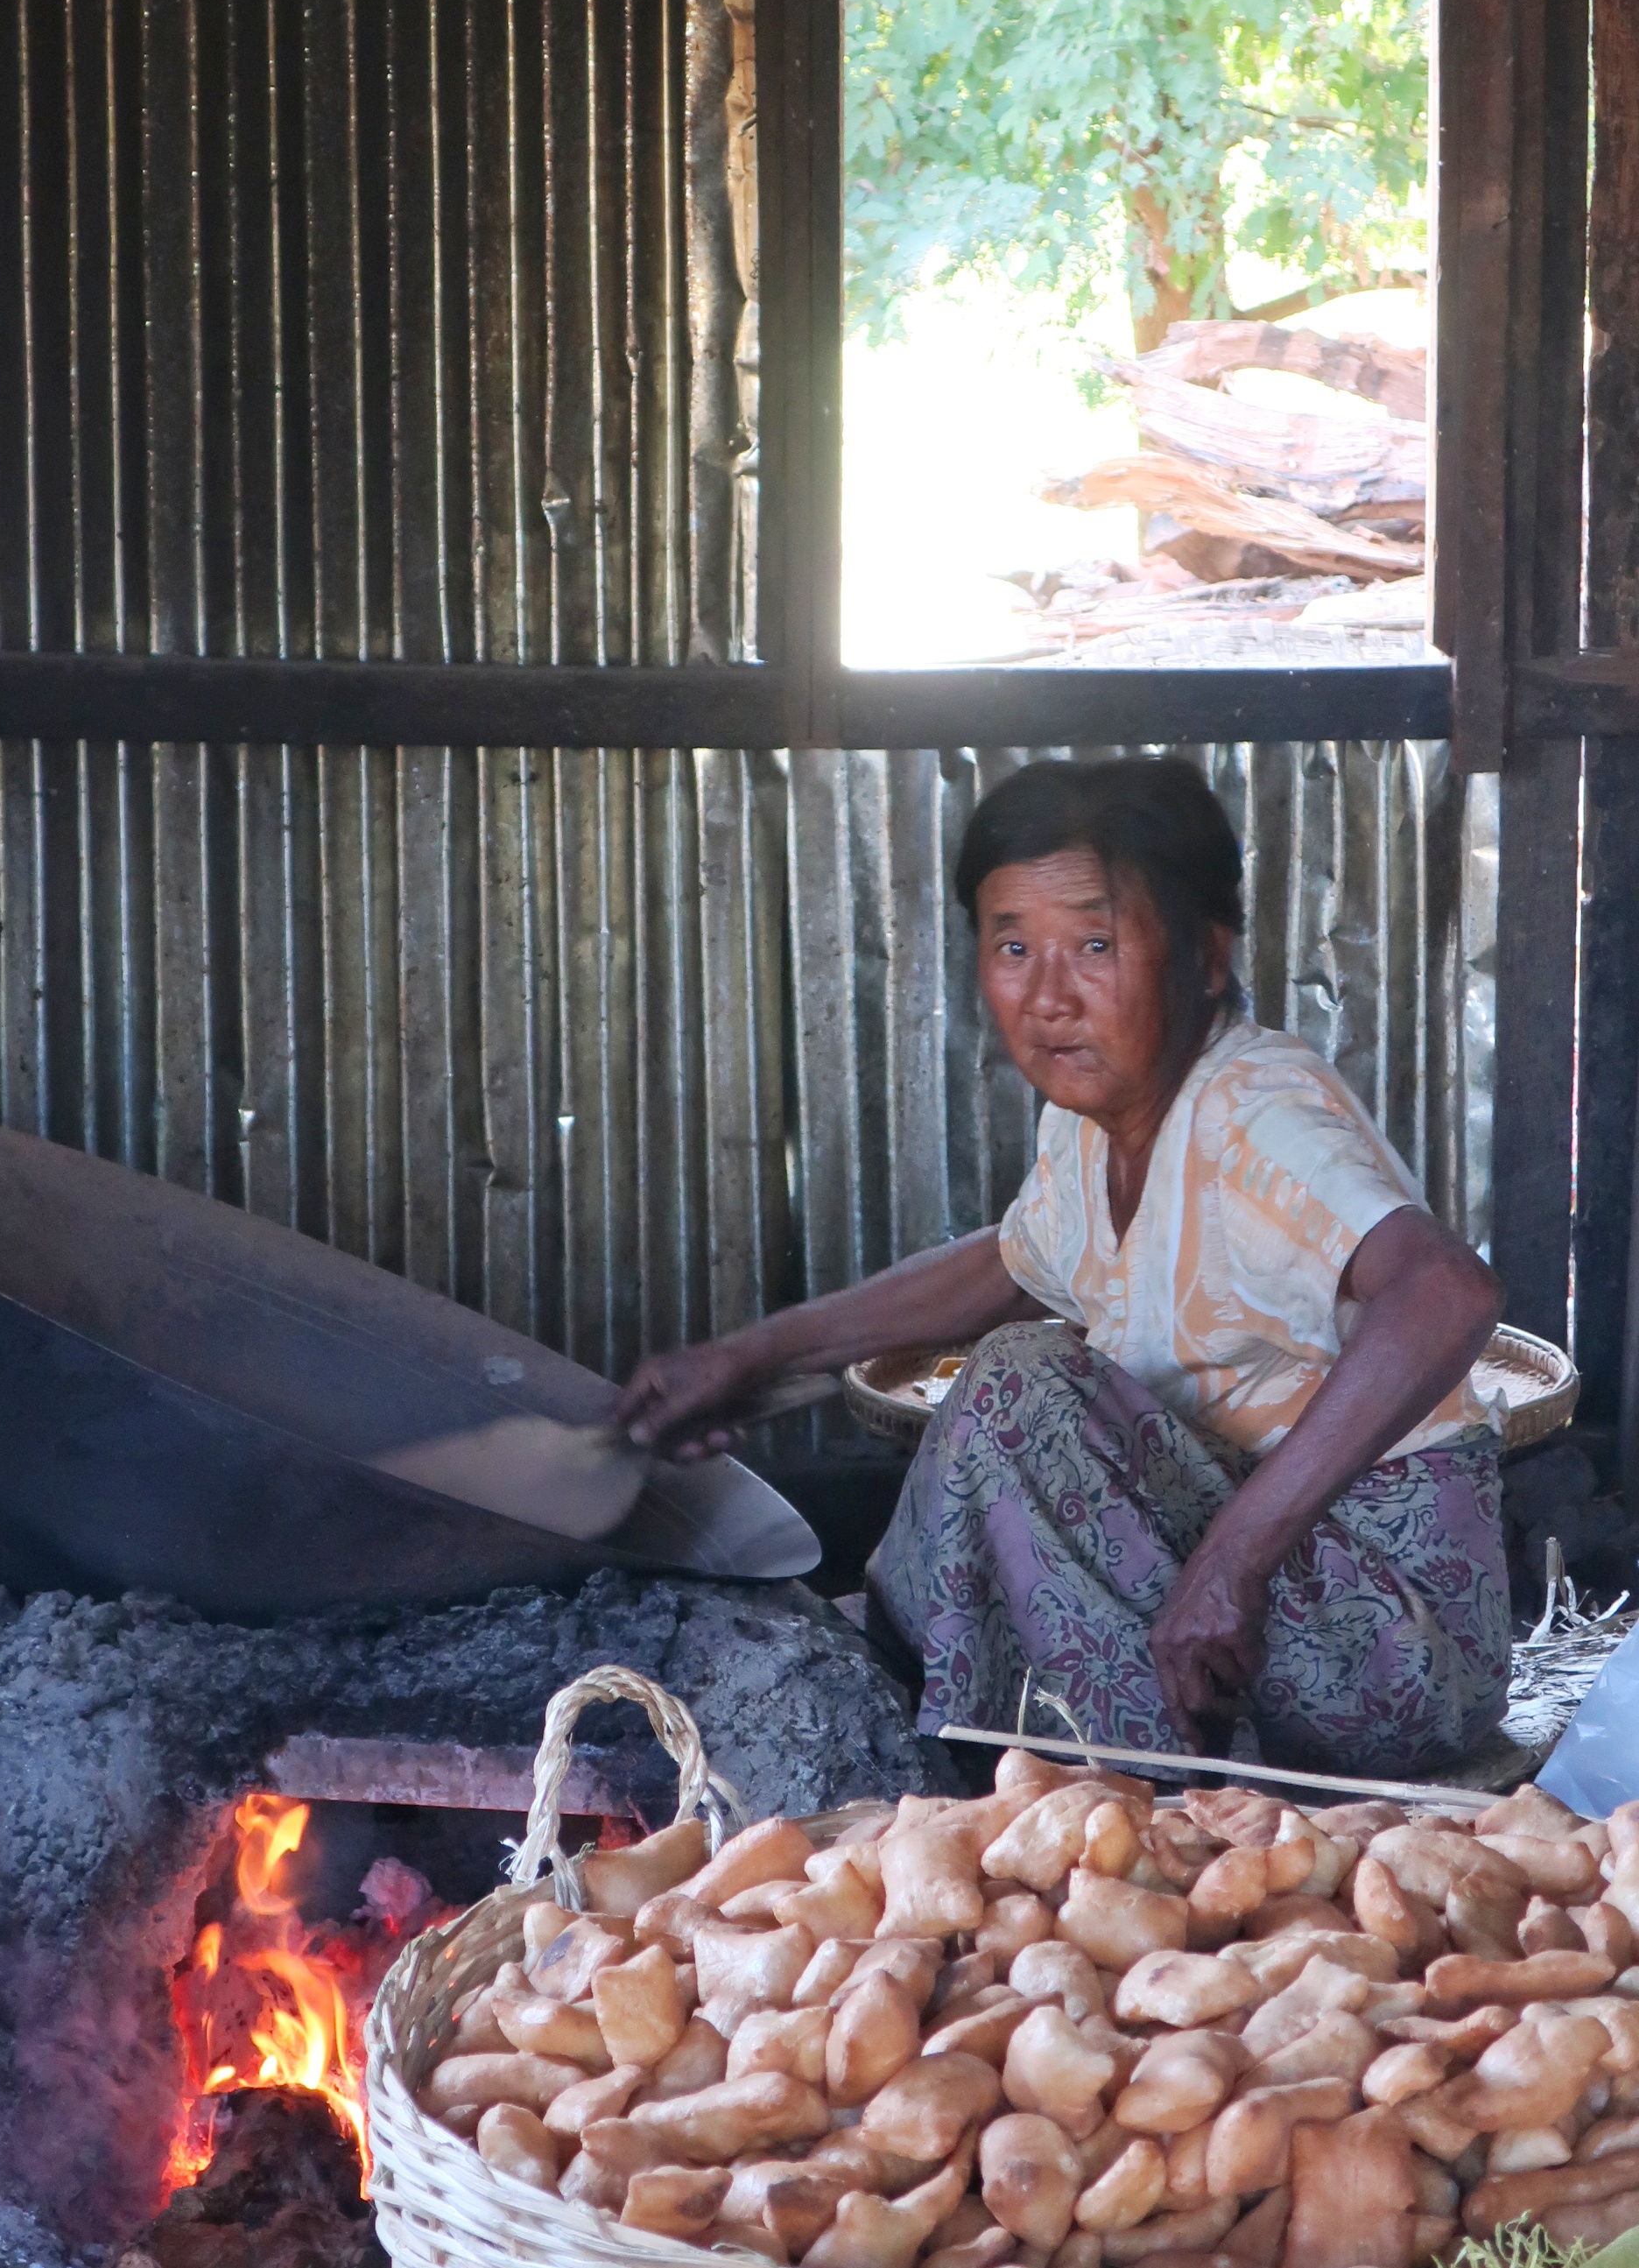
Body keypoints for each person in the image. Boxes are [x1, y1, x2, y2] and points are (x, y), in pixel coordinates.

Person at [616, 756, 1510, 1782]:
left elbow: (1447, 1292)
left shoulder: (1254, 1110)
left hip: (1388, 1640)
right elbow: (1011, 1263)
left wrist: (1229, 1560)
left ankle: (1146, 1802)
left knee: (1017, 1386)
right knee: (1004, 1387)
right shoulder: (1090, 1129)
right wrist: (753, 1356)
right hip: (1267, 1626)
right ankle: (916, 1702)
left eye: (1093, 944)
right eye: (1011, 947)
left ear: (1205, 958)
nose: (1046, 997)